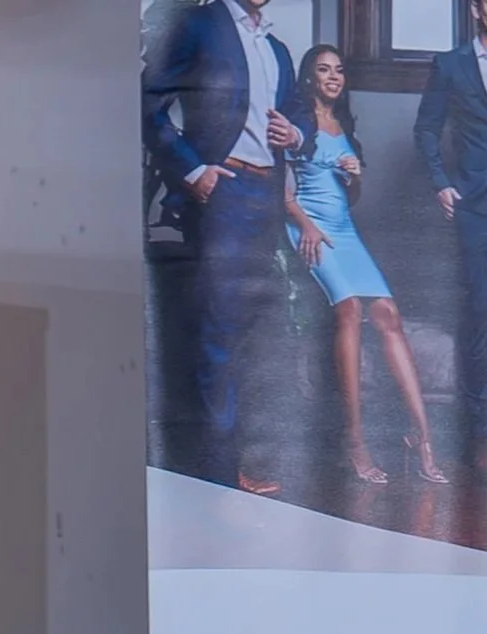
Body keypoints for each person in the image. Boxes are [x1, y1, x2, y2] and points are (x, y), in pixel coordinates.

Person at [143, 0, 314, 494]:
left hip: (266, 199)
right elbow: (146, 101)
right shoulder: (201, 23)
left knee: (253, 339)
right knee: (215, 339)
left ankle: (233, 467)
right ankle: (214, 480)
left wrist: (296, 133)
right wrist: (194, 170)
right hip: (223, 193)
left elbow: (299, 116)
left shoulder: (277, 48)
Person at [288, 45, 445, 487]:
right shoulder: (295, 123)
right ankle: (355, 440)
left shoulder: (345, 126)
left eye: (339, 70)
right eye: (323, 70)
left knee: (389, 316)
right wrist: (306, 228)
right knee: (350, 309)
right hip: (307, 227)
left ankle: (423, 437)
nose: (333, 77)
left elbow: (351, 199)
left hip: (346, 232)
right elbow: (280, 191)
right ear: (308, 78)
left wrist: (354, 176)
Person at [416, 0, 487, 471]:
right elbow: (425, 129)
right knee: (481, 311)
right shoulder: (451, 64)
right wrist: (442, 182)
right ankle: (479, 432)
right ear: (478, 8)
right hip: (475, 206)